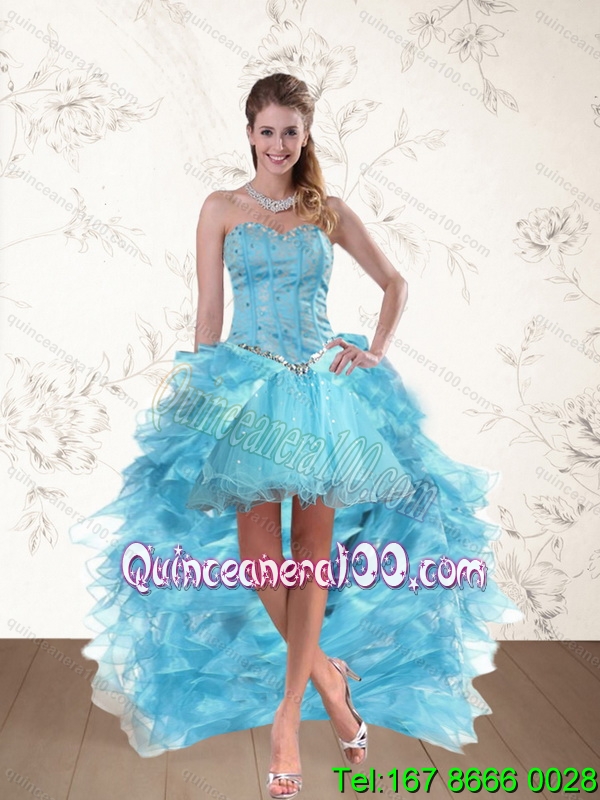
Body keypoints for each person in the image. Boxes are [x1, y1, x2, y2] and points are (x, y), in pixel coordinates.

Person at [69, 72, 522, 799]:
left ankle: (288, 720)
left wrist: (374, 349)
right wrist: (201, 399)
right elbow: (209, 315)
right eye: (267, 131)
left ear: (306, 136)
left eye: (291, 132)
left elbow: (395, 283)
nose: (278, 144)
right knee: (261, 562)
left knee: (313, 554)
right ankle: (329, 677)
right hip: (250, 392)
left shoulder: (327, 212)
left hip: (321, 390)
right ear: (249, 133)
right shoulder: (219, 208)